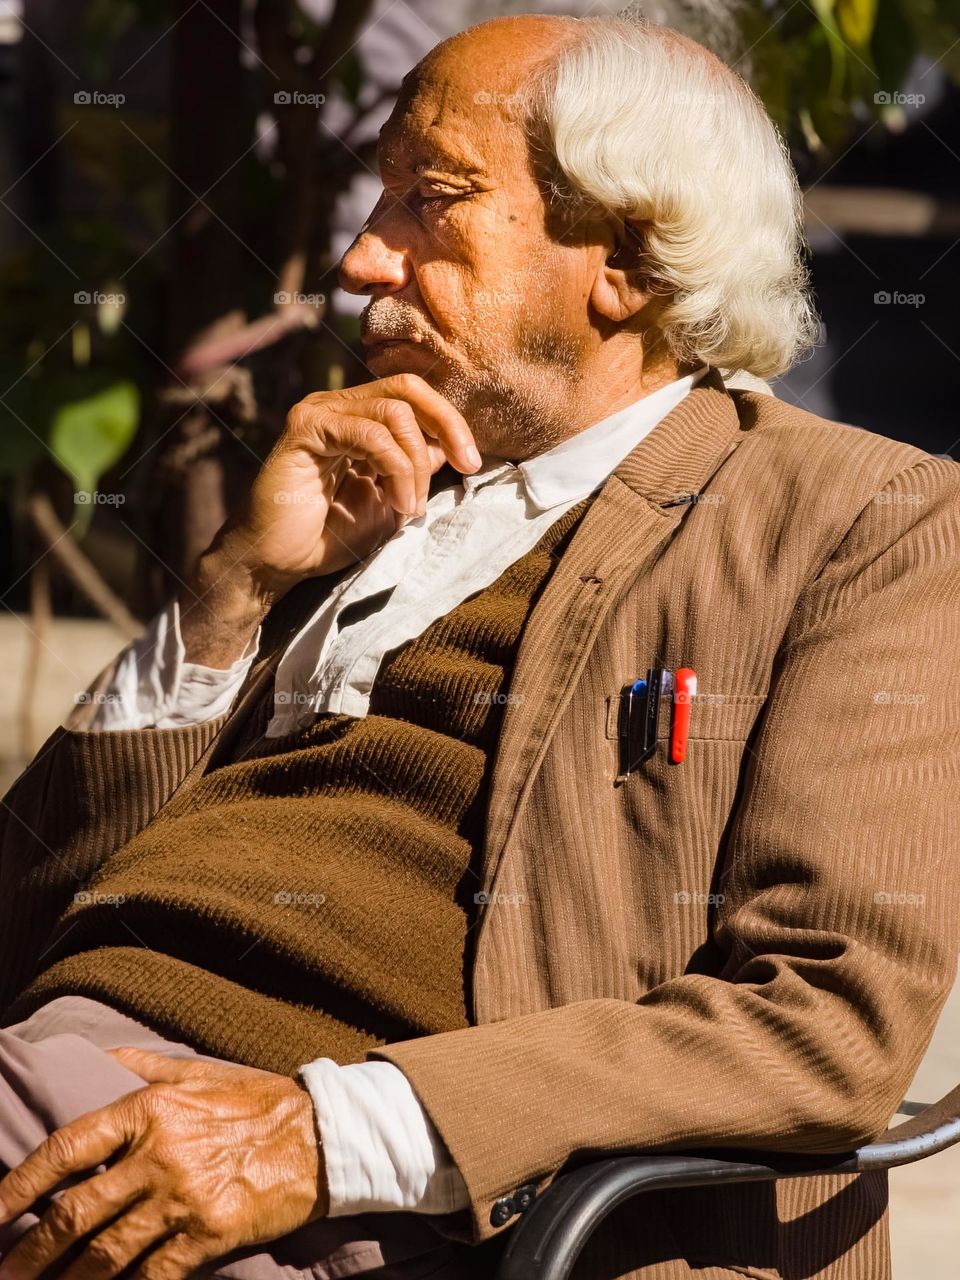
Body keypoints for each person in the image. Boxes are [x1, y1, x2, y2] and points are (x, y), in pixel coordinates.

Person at [1, 12, 958, 1280]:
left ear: (626, 255)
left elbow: (828, 1018)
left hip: (390, 1203)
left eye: (430, 201)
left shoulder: (859, 516)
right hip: (54, 1070)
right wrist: (234, 590)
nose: (359, 261)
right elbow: (21, 915)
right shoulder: (358, 488)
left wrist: (317, 1134)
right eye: (376, 200)